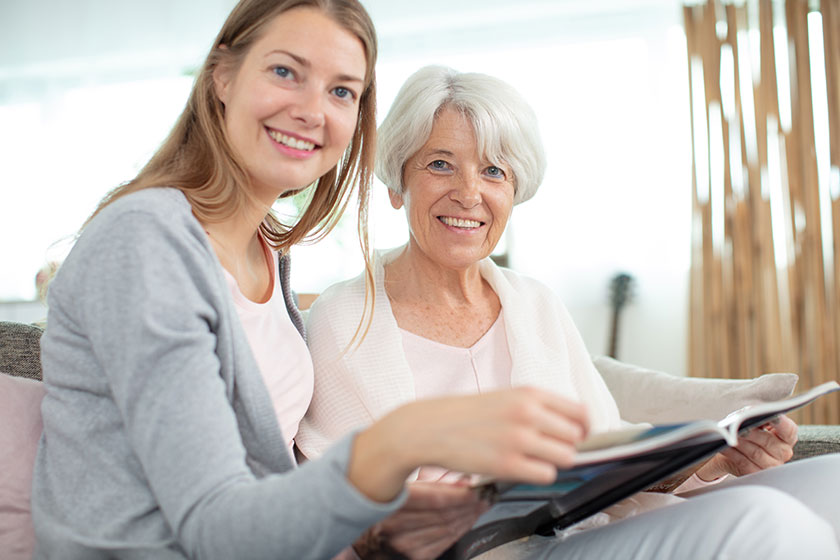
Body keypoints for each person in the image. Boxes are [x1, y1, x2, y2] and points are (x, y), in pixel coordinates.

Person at [30, 5, 596, 559]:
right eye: (285, 72)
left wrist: (378, 523)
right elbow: (216, 530)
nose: (312, 110)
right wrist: (399, 443)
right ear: (222, 75)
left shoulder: (266, 254)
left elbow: (273, 488)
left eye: (342, 91)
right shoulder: (142, 243)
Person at [297, 65, 840, 558]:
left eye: (494, 172)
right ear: (398, 183)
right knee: (765, 521)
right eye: (441, 164)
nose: (469, 194)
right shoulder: (343, 318)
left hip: (586, 529)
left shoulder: (533, 302)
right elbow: (333, 501)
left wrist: (712, 460)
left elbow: (605, 452)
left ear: (514, 191)